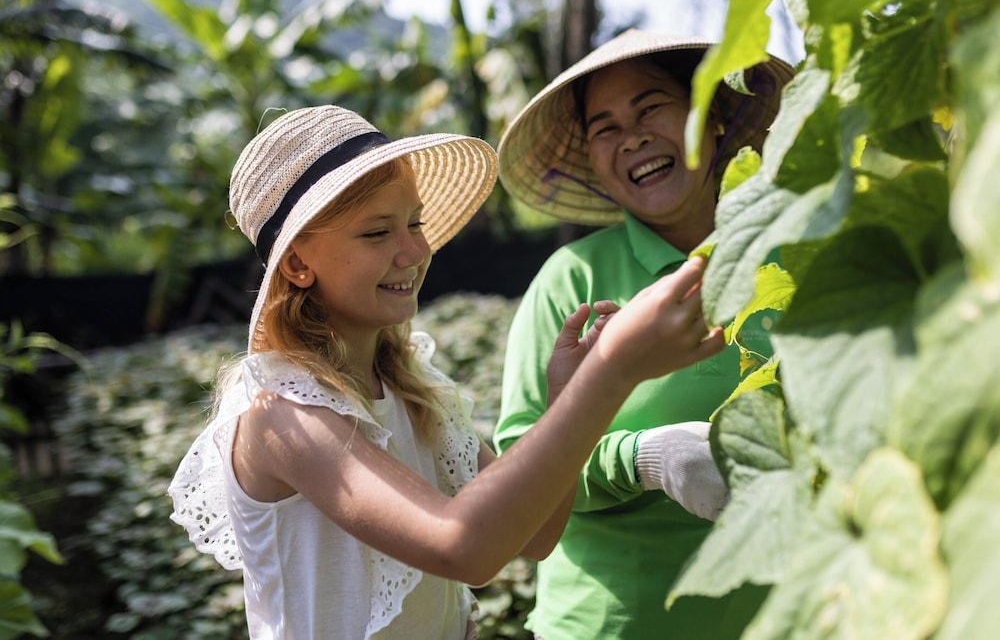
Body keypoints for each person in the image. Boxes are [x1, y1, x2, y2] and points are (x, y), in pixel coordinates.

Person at [166, 104, 728, 639]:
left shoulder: (410, 387)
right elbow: (463, 547)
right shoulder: (282, 414)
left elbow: (535, 534)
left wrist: (568, 394)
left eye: (414, 223)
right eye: (376, 233)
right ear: (297, 263)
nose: (413, 251)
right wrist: (608, 374)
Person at [493, 29, 796, 639]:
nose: (631, 137)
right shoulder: (571, 281)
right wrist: (645, 458)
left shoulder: (792, 252)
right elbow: (521, 471)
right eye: (604, 128)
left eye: (651, 107)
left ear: (712, 116)